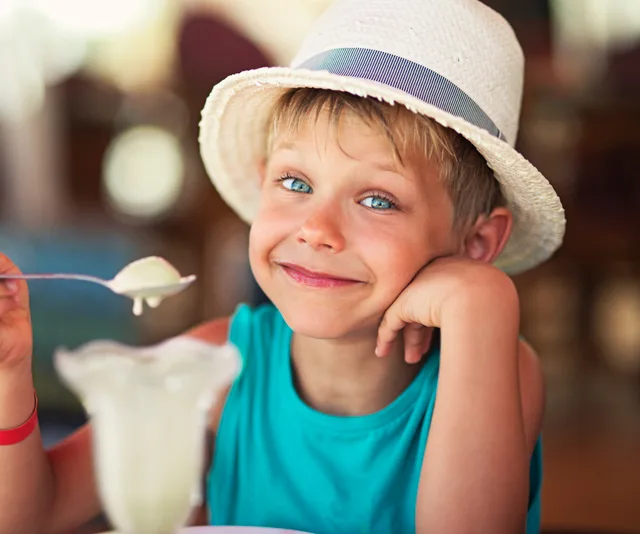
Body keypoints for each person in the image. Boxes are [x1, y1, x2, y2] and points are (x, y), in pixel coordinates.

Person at [0, 0, 565, 532]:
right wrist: (7, 372)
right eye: (295, 184)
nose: (316, 229)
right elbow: (33, 513)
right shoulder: (212, 372)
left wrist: (482, 301)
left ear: (476, 243)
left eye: (377, 201)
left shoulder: (496, 365)